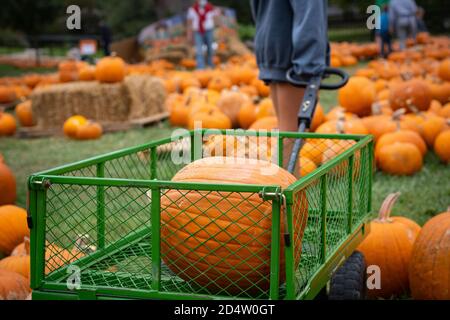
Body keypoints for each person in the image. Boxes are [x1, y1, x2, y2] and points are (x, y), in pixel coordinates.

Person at [250, 0, 328, 167]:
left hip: (272, 45)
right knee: (290, 142)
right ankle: (285, 190)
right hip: (293, 57)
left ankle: (287, 189)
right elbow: (309, 11)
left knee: (287, 138)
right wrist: (310, 63)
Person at [187, 0, 217, 69]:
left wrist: (216, 30)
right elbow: (189, 22)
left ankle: (210, 65)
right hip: (197, 31)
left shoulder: (210, 8)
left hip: (209, 30)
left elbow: (214, 19)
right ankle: (200, 67)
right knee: (199, 49)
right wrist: (189, 34)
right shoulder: (192, 10)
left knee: (210, 48)